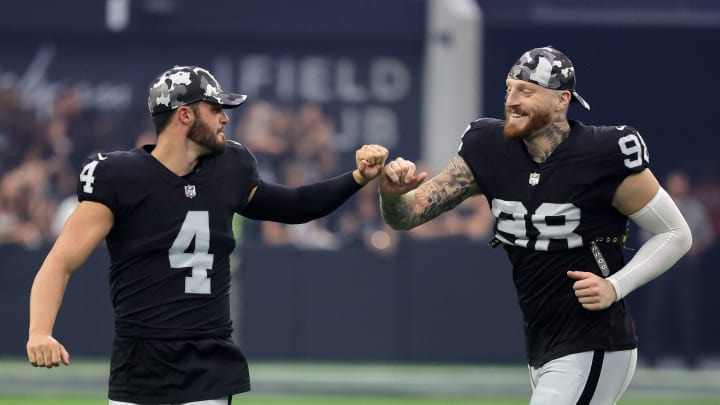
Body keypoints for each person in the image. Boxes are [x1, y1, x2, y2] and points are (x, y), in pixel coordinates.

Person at [26, 65, 389, 405]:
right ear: (185, 115)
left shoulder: (231, 167)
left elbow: (294, 205)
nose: (225, 119)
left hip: (208, 366)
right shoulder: (117, 176)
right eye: (215, 109)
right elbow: (61, 261)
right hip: (138, 364)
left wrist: (356, 178)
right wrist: (40, 331)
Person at [379, 46, 692, 405]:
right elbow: (407, 216)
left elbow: (675, 233)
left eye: (526, 91)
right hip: (542, 340)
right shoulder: (488, 147)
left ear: (562, 100)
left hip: (594, 339)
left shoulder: (603, 153)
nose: (511, 100)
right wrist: (391, 195)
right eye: (509, 89)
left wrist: (615, 285)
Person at [640, 170, 715, 368]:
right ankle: (651, 353)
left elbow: (707, 234)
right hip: (662, 265)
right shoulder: (656, 206)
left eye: (681, 183)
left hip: (686, 266)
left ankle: (691, 355)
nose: (678, 186)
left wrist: (696, 246)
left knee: (688, 311)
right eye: (675, 183)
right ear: (667, 184)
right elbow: (645, 235)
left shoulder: (695, 207)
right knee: (656, 309)